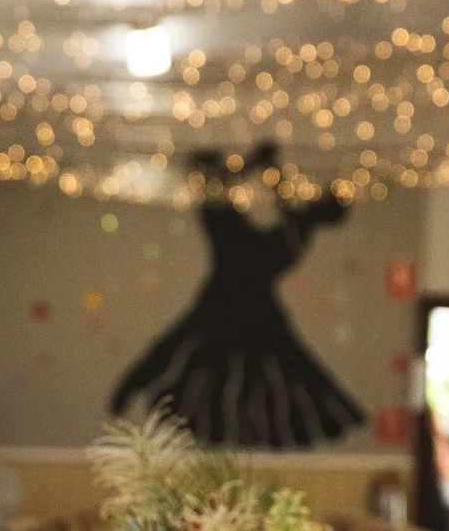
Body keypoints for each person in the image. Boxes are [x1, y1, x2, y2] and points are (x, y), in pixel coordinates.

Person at [110, 144, 368, 448]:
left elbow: (274, 209)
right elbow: (280, 198)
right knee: (200, 353)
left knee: (198, 353)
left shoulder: (296, 230)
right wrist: (268, 167)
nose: (314, 197)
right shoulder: (295, 225)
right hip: (237, 295)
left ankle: (137, 397)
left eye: (321, 199)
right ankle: (136, 396)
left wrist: (260, 164)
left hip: (238, 297)